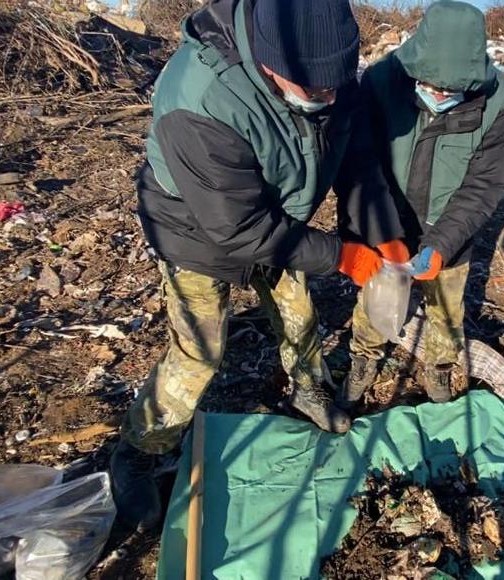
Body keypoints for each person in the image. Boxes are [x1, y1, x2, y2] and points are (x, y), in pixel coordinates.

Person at [112, 0, 407, 530]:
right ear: (271, 65)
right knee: (199, 353)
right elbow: (240, 230)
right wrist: (342, 255)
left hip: (280, 217)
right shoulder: (198, 99)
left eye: (337, 86)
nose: (331, 99)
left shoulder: (327, 70)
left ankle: (309, 387)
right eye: (317, 93)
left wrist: (382, 233)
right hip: (195, 233)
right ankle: (140, 449)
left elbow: (357, 157)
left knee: (300, 317)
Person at [339, 0, 504, 408]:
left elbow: (484, 185)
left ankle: (438, 369)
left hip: (449, 224)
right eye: (431, 85)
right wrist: (381, 235)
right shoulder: (382, 81)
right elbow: (361, 165)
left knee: (447, 308)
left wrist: (442, 243)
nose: (439, 95)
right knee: (374, 300)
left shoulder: (499, 102)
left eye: (451, 91)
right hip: (387, 219)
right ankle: (363, 361)